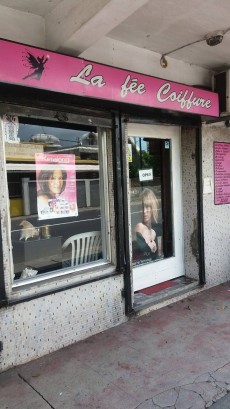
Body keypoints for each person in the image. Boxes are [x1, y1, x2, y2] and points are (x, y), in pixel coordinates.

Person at [134, 188, 162, 259]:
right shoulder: (139, 227)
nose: (144, 211)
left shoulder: (158, 227)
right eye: (142, 207)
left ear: (153, 207)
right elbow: (142, 229)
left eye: (147, 207)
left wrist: (154, 232)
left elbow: (159, 254)